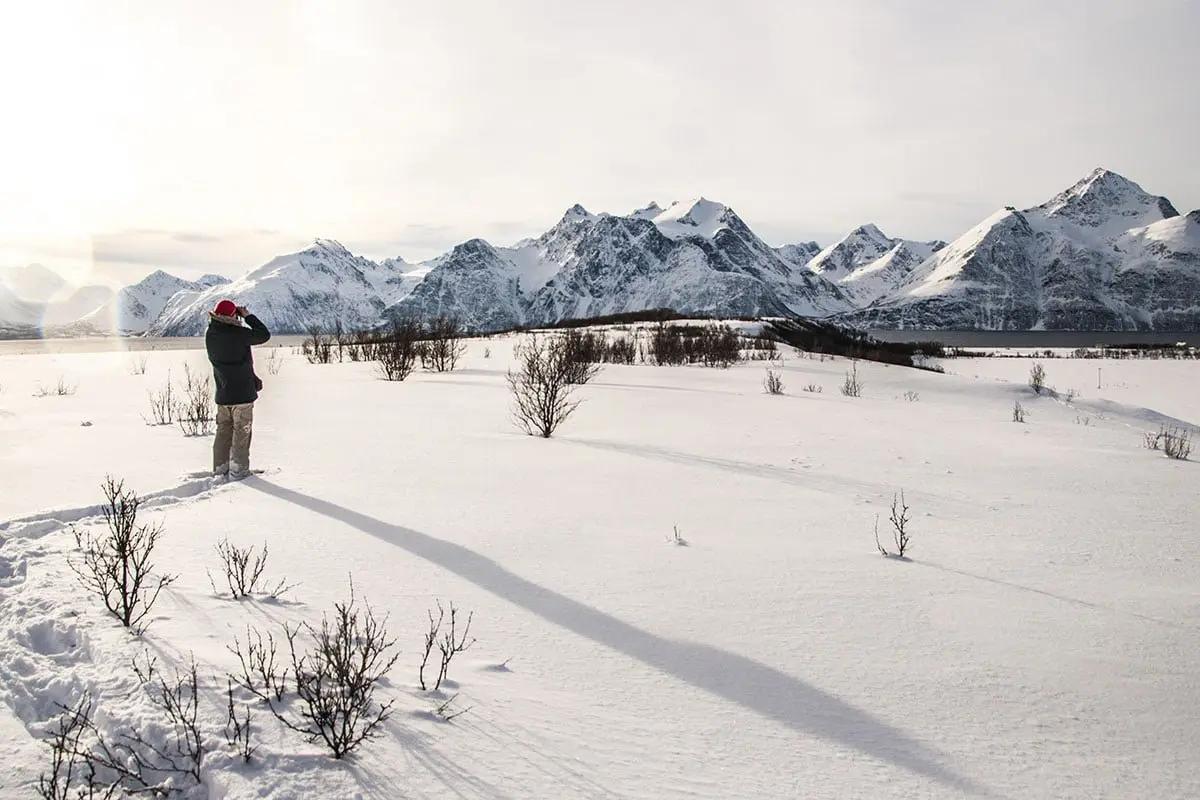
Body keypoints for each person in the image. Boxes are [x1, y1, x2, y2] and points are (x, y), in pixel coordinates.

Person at [205, 299, 270, 478]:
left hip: (223, 393)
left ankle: (220, 468)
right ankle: (239, 470)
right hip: (242, 395)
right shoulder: (238, 333)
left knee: (223, 433)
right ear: (233, 315)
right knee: (242, 432)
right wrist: (248, 316)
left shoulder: (211, 333)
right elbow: (263, 335)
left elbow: (233, 358)